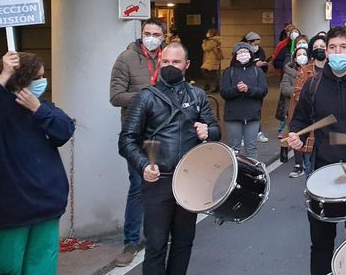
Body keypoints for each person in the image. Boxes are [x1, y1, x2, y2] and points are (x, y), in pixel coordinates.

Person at [118, 42, 221, 275]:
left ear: (187, 65)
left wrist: (208, 131)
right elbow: (126, 140)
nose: (170, 66)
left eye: (175, 62)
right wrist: (143, 165)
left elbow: (215, 130)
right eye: (165, 61)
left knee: (184, 244)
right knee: (155, 246)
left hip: (189, 182)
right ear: (159, 63)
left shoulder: (197, 95)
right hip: (158, 181)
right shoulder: (145, 98)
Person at [286, 27, 346, 275]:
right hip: (323, 171)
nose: (338, 52)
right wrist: (296, 135)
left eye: (343, 47)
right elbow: (300, 121)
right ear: (325, 51)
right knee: (321, 242)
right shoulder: (313, 84)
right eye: (333, 48)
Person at [0, 51, 75, 275]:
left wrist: (38, 109)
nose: (42, 82)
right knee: (6, 268)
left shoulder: (41, 108)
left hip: (46, 205)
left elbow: (64, 130)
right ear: (21, 80)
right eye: (37, 77)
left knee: (42, 266)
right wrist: (2, 78)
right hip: (9, 211)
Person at [109, 17, 167, 266]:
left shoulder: (169, 57)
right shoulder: (126, 58)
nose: (151, 37)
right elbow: (116, 96)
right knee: (138, 186)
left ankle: (161, 235)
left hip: (165, 131)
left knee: (166, 184)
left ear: (164, 36)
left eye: (156, 33)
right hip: (137, 133)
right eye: (147, 32)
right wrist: (147, 97)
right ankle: (131, 242)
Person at [282, 34, 327, 177]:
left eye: (322, 47)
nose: (319, 50)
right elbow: (297, 93)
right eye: (316, 47)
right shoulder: (305, 70)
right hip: (311, 124)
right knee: (311, 168)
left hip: (330, 129)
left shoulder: (335, 69)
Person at [220, 42, 269, 160]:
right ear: (235, 55)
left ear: (251, 54)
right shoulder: (228, 72)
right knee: (234, 148)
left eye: (246, 51)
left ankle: (254, 175)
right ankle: (234, 175)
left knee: (251, 147)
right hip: (233, 116)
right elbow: (224, 92)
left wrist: (248, 90)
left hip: (252, 115)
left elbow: (263, 91)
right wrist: (237, 90)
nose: (243, 54)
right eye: (240, 52)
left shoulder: (258, 71)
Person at [279, 46, 309, 168]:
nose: (302, 56)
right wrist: (302, 90)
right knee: (295, 134)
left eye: (304, 54)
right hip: (293, 108)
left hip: (309, 108)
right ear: (295, 58)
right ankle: (298, 164)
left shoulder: (312, 70)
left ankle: (307, 161)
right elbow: (285, 89)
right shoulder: (288, 74)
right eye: (299, 54)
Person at [242, 31, 270, 143]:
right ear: (249, 42)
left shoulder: (261, 50)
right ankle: (244, 135)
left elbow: (263, 62)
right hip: (245, 84)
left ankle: (258, 132)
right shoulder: (242, 51)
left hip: (258, 83)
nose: (257, 46)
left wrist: (262, 65)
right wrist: (254, 64)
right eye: (255, 43)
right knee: (244, 110)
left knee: (256, 109)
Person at [200, 28, 223, 93]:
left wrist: (203, 43)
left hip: (211, 59)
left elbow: (206, 48)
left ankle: (213, 86)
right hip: (211, 59)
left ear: (211, 33)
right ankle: (210, 86)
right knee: (212, 72)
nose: (207, 33)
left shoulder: (213, 41)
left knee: (208, 71)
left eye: (208, 32)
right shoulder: (214, 40)